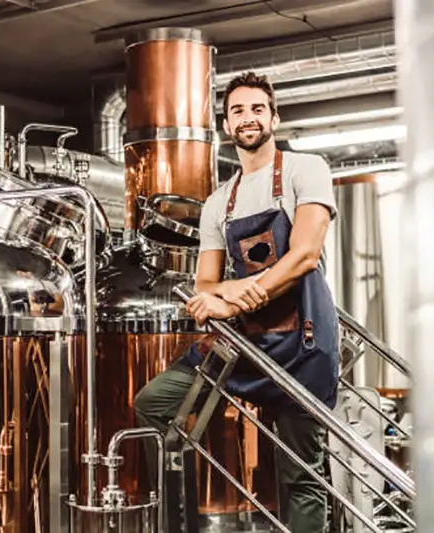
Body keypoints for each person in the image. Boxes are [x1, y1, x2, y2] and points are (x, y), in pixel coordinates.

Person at [133, 71, 340, 532]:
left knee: (301, 476)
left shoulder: (308, 169)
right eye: (238, 111)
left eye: (257, 109)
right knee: (154, 403)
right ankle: (180, 519)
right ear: (227, 126)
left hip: (302, 344)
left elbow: (305, 254)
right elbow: (204, 285)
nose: (248, 118)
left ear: (275, 117)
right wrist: (229, 298)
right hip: (243, 343)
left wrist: (243, 296)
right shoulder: (218, 202)